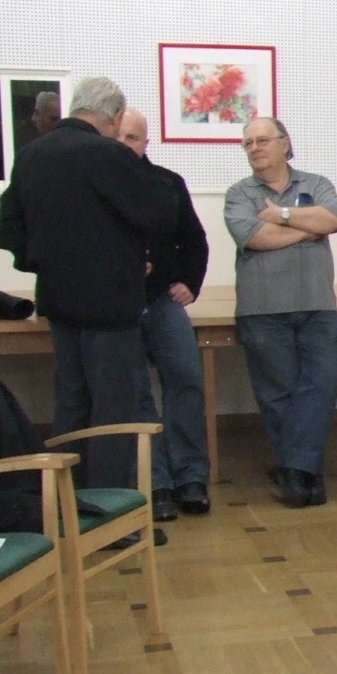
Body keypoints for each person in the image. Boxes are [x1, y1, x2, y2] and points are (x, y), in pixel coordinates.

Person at [0, 74, 166, 493]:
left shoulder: (32, 154)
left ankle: (69, 504)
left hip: (58, 300)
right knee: (113, 412)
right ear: (115, 116)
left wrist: (42, 262)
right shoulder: (109, 154)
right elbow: (151, 213)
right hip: (111, 304)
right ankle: (108, 510)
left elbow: (8, 230)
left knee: (71, 403)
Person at [223, 117, 337, 508]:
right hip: (262, 309)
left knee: (320, 388)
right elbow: (255, 237)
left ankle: (295, 469)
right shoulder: (239, 194)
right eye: (248, 143)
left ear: (285, 143)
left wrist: (282, 215)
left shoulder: (317, 184)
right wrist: (308, 228)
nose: (255, 148)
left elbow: (332, 219)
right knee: (279, 394)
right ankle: (305, 474)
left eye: (262, 140)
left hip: (318, 305)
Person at [111, 108, 211, 520]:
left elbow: (195, 240)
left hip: (164, 302)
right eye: (119, 136)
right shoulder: (95, 185)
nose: (125, 144)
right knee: (137, 393)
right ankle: (156, 484)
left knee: (186, 379)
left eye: (132, 138)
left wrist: (190, 282)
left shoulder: (168, 183)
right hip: (117, 306)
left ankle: (191, 477)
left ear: (145, 143)